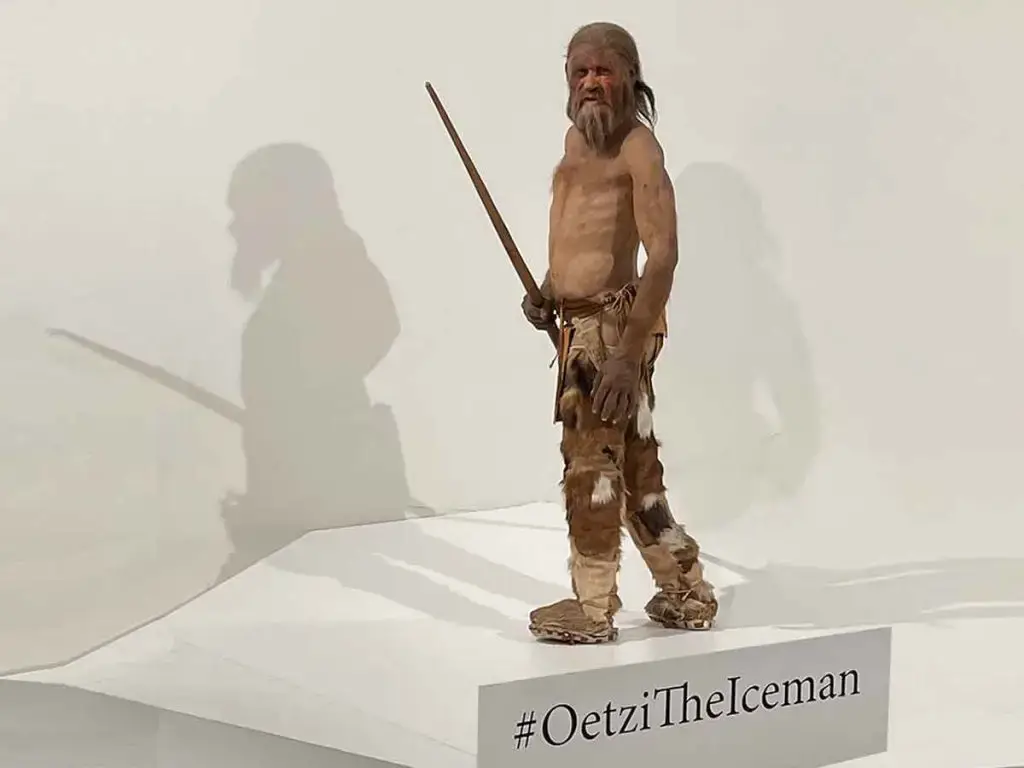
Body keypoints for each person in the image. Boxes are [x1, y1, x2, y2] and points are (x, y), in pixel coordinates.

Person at [522, 21, 718, 643]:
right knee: (634, 470)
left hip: (611, 334)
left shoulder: (639, 149)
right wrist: (549, 291)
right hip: (580, 326)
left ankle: (592, 607)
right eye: (580, 71)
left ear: (631, 76)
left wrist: (627, 356)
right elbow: (581, 236)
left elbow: (662, 256)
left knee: (592, 468)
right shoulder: (575, 143)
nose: (591, 83)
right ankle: (687, 590)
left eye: (603, 71)